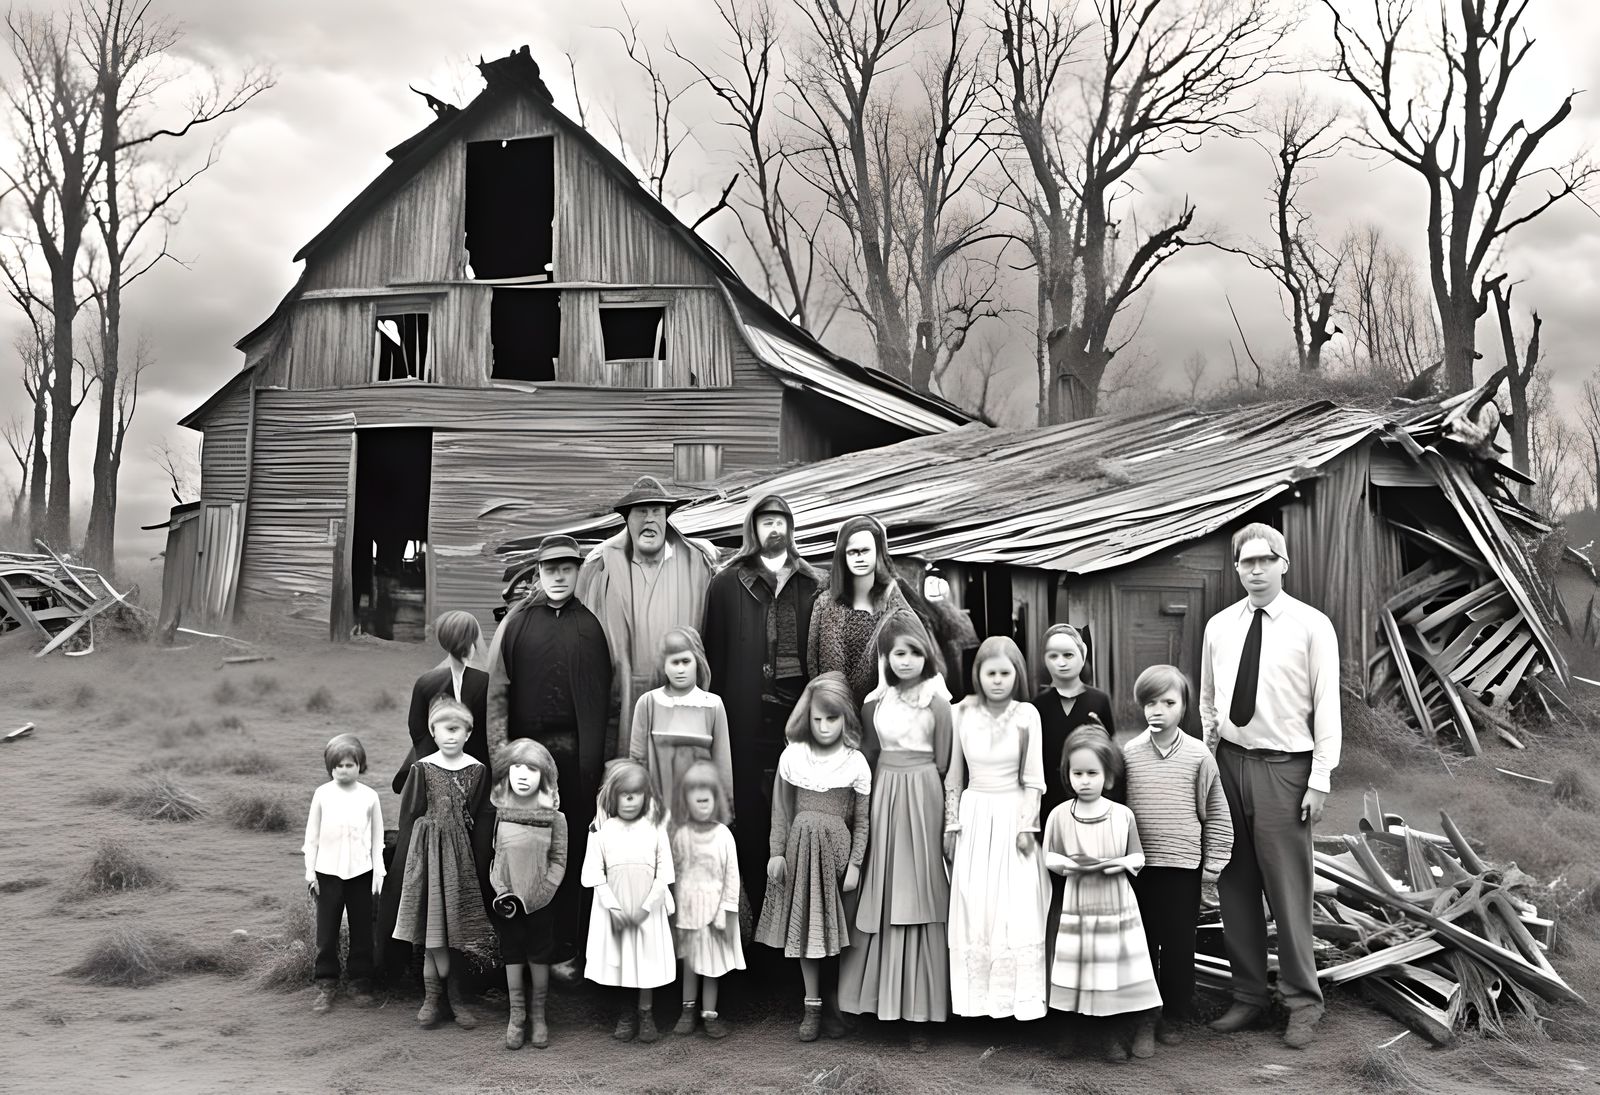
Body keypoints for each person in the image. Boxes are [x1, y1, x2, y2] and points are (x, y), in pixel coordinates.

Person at [1200, 522, 1340, 1050]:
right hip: (1230, 765)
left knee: (1287, 889)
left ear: (1284, 563)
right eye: (1246, 561)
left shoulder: (1311, 626)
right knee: (1234, 884)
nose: (1255, 569)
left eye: (1265, 560)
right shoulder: (1219, 626)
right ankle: (1249, 997)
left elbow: (1327, 705)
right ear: (1235, 567)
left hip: (1287, 769)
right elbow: (1209, 701)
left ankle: (1303, 1001)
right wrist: (1209, 763)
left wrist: (1320, 777)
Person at [487, 533, 613, 979]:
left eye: (566, 568)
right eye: (550, 569)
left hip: (578, 767)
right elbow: (498, 694)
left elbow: (608, 701)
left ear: (578, 572)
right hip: (527, 766)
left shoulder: (593, 627)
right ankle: (521, 953)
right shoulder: (518, 624)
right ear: (537, 574)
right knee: (522, 855)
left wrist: (602, 768)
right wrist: (503, 764)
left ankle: (567, 948)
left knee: (572, 853)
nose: (558, 577)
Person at [702, 493, 823, 911]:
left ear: (791, 529)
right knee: (749, 819)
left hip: (797, 720)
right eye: (765, 521)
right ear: (752, 529)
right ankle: (753, 917)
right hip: (743, 718)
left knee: (796, 814)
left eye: (781, 521)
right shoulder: (725, 583)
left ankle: (795, 917)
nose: (774, 529)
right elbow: (713, 656)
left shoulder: (812, 584)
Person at [838, 612, 953, 1049]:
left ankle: (921, 1010)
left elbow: (944, 763)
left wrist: (946, 817)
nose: (906, 661)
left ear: (926, 655)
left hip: (923, 795)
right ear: (886, 657)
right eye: (897, 653)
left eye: (914, 652)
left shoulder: (938, 703)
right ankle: (870, 1002)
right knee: (880, 888)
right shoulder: (873, 703)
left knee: (921, 891)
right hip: (883, 792)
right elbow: (867, 752)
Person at [754, 672, 871, 1042]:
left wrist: (853, 864)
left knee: (837, 933)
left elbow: (863, 821)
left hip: (836, 856)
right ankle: (811, 1004)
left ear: (845, 718)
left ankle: (838, 1003)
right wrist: (776, 852)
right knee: (807, 932)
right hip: (801, 852)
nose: (823, 726)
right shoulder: (794, 757)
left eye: (832, 719)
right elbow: (781, 811)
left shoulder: (855, 763)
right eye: (817, 718)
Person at [1121, 665, 1232, 1050]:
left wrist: (1212, 866)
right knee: (1144, 943)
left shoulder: (1199, 756)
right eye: (1150, 702)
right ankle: (1143, 1016)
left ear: (1183, 706)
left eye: (1168, 702)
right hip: (1141, 868)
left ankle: (1175, 1014)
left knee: (1179, 945)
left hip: (1183, 869)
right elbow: (1119, 813)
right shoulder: (1130, 755)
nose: (1158, 710)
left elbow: (1217, 814)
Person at [944, 635, 1049, 1021]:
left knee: (1014, 906)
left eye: (1006, 673)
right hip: (974, 813)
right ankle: (975, 1004)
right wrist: (951, 825)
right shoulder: (961, 713)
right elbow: (954, 775)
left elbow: (1034, 778)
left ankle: (1015, 1003)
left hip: (1012, 814)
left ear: (1016, 674)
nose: (998, 680)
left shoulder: (1026, 715)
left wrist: (1027, 827)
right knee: (976, 902)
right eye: (991, 673)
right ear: (979, 674)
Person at [577, 475, 720, 754]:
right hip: (622, 700)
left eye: (656, 511)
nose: (649, 519)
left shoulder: (698, 564)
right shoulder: (599, 566)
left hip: (681, 698)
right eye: (641, 511)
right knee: (628, 782)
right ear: (627, 519)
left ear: (667, 516)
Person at [1043, 727, 1161, 1062]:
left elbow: (1138, 856)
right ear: (1067, 776)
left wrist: (1117, 864)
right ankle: (1070, 1032)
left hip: (1114, 905)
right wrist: (1065, 865)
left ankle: (1109, 1036)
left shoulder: (1122, 815)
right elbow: (1048, 855)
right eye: (1076, 773)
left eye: (1092, 773)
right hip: (1078, 905)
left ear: (1108, 777)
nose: (1084, 780)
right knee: (1076, 967)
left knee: (1108, 968)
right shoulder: (1060, 814)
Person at [388, 696, 496, 1030]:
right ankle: (432, 999)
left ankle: (457, 998)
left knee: (455, 929)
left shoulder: (477, 770)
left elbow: (474, 813)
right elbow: (410, 813)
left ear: (468, 732)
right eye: (442, 729)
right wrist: (417, 857)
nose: (449, 735)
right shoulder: (423, 768)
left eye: (457, 729)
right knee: (432, 932)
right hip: (428, 854)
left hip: (459, 856)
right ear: (433, 733)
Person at [583, 761, 678, 1044]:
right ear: (613, 795)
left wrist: (646, 907)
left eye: (635, 794)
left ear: (645, 796)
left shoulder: (655, 827)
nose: (629, 800)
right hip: (615, 908)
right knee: (623, 959)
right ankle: (626, 1015)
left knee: (645, 960)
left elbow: (665, 872)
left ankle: (646, 1014)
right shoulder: (601, 829)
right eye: (623, 794)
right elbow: (594, 874)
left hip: (647, 907)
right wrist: (614, 908)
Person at [484, 739, 568, 1050]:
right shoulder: (501, 814)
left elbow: (559, 861)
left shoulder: (556, 819)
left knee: (539, 956)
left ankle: (539, 1015)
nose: (522, 774)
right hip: (507, 903)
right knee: (513, 956)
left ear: (544, 777)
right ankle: (516, 1016)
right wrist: (501, 890)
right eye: (516, 767)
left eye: (531, 769)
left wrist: (544, 892)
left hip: (540, 904)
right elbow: (496, 857)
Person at [303, 733, 384, 1014]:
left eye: (350, 765)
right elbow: (311, 836)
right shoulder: (322, 795)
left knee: (362, 929)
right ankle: (326, 982)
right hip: (327, 873)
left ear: (360, 765)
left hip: (361, 872)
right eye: (338, 766)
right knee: (327, 932)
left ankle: (360, 981)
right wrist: (310, 873)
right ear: (330, 768)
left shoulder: (370, 796)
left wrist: (379, 874)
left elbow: (377, 839)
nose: (344, 770)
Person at [669, 760, 745, 1039]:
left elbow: (732, 876)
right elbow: (675, 872)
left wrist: (726, 910)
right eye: (695, 794)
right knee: (690, 961)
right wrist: (675, 909)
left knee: (712, 965)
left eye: (707, 794)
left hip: (715, 911)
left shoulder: (724, 835)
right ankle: (687, 1010)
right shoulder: (682, 835)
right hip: (689, 909)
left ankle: (710, 1014)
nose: (702, 801)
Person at [628, 626, 733, 825]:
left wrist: (725, 813)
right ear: (664, 665)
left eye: (686, 661)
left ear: (697, 662)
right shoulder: (648, 703)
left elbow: (722, 766)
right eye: (674, 662)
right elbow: (636, 761)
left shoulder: (712, 704)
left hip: (699, 814)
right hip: (656, 815)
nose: (680, 669)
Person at [808, 515, 910, 706]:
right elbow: (816, 663)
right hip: (838, 707)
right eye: (853, 552)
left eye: (865, 551)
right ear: (842, 555)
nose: (860, 558)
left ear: (878, 553)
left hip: (888, 708)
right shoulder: (826, 603)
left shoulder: (893, 599)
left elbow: (914, 643)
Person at [394, 610, 490, 792]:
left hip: (436, 763)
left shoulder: (425, 681)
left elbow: (417, 729)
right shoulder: (485, 681)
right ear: (472, 642)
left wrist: (432, 759)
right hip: (477, 766)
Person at [1030, 623, 1117, 819]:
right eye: (1053, 656)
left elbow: (1108, 751)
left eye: (1068, 655)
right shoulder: (1037, 705)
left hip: (1090, 796)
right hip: (1049, 798)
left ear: (1082, 655)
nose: (1061, 662)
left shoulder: (1100, 701)